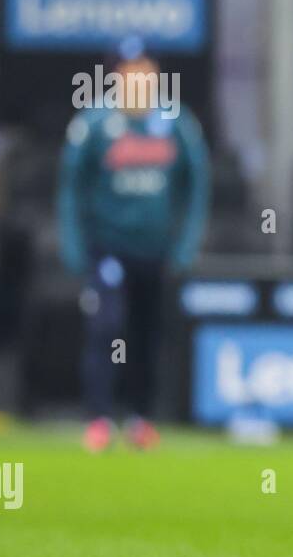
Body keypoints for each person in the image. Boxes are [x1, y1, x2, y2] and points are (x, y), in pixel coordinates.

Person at [56, 38, 210, 451]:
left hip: (154, 249)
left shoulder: (176, 121)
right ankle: (99, 418)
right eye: (128, 69)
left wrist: (186, 244)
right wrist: (74, 243)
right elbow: (71, 187)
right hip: (108, 246)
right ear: (116, 75)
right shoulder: (94, 123)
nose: (137, 76)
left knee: (147, 333)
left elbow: (196, 185)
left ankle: (141, 418)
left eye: (143, 67)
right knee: (106, 326)